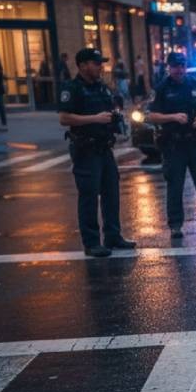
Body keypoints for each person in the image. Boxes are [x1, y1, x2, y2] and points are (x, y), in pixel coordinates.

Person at [57, 48, 137, 257]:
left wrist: (115, 118)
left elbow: (109, 112)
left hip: (104, 148)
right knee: (89, 196)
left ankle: (113, 235)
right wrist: (95, 118)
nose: (100, 67)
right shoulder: (72, 88)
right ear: (83, 65)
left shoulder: (102, 88)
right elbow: (64, 118)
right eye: (95, 63)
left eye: (100, 63)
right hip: (85, 149)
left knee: (111, 193)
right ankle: (91, 242)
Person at [146, 52, 196, 239]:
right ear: (169, 67)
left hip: (195, 143)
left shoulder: (194, 85)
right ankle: (175, 225)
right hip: (173, 145)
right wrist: (172, 117)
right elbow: (150, 116)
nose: (180, 70)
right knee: (175, 186)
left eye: (182, 66)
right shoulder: (161, 89)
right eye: (176, 66)